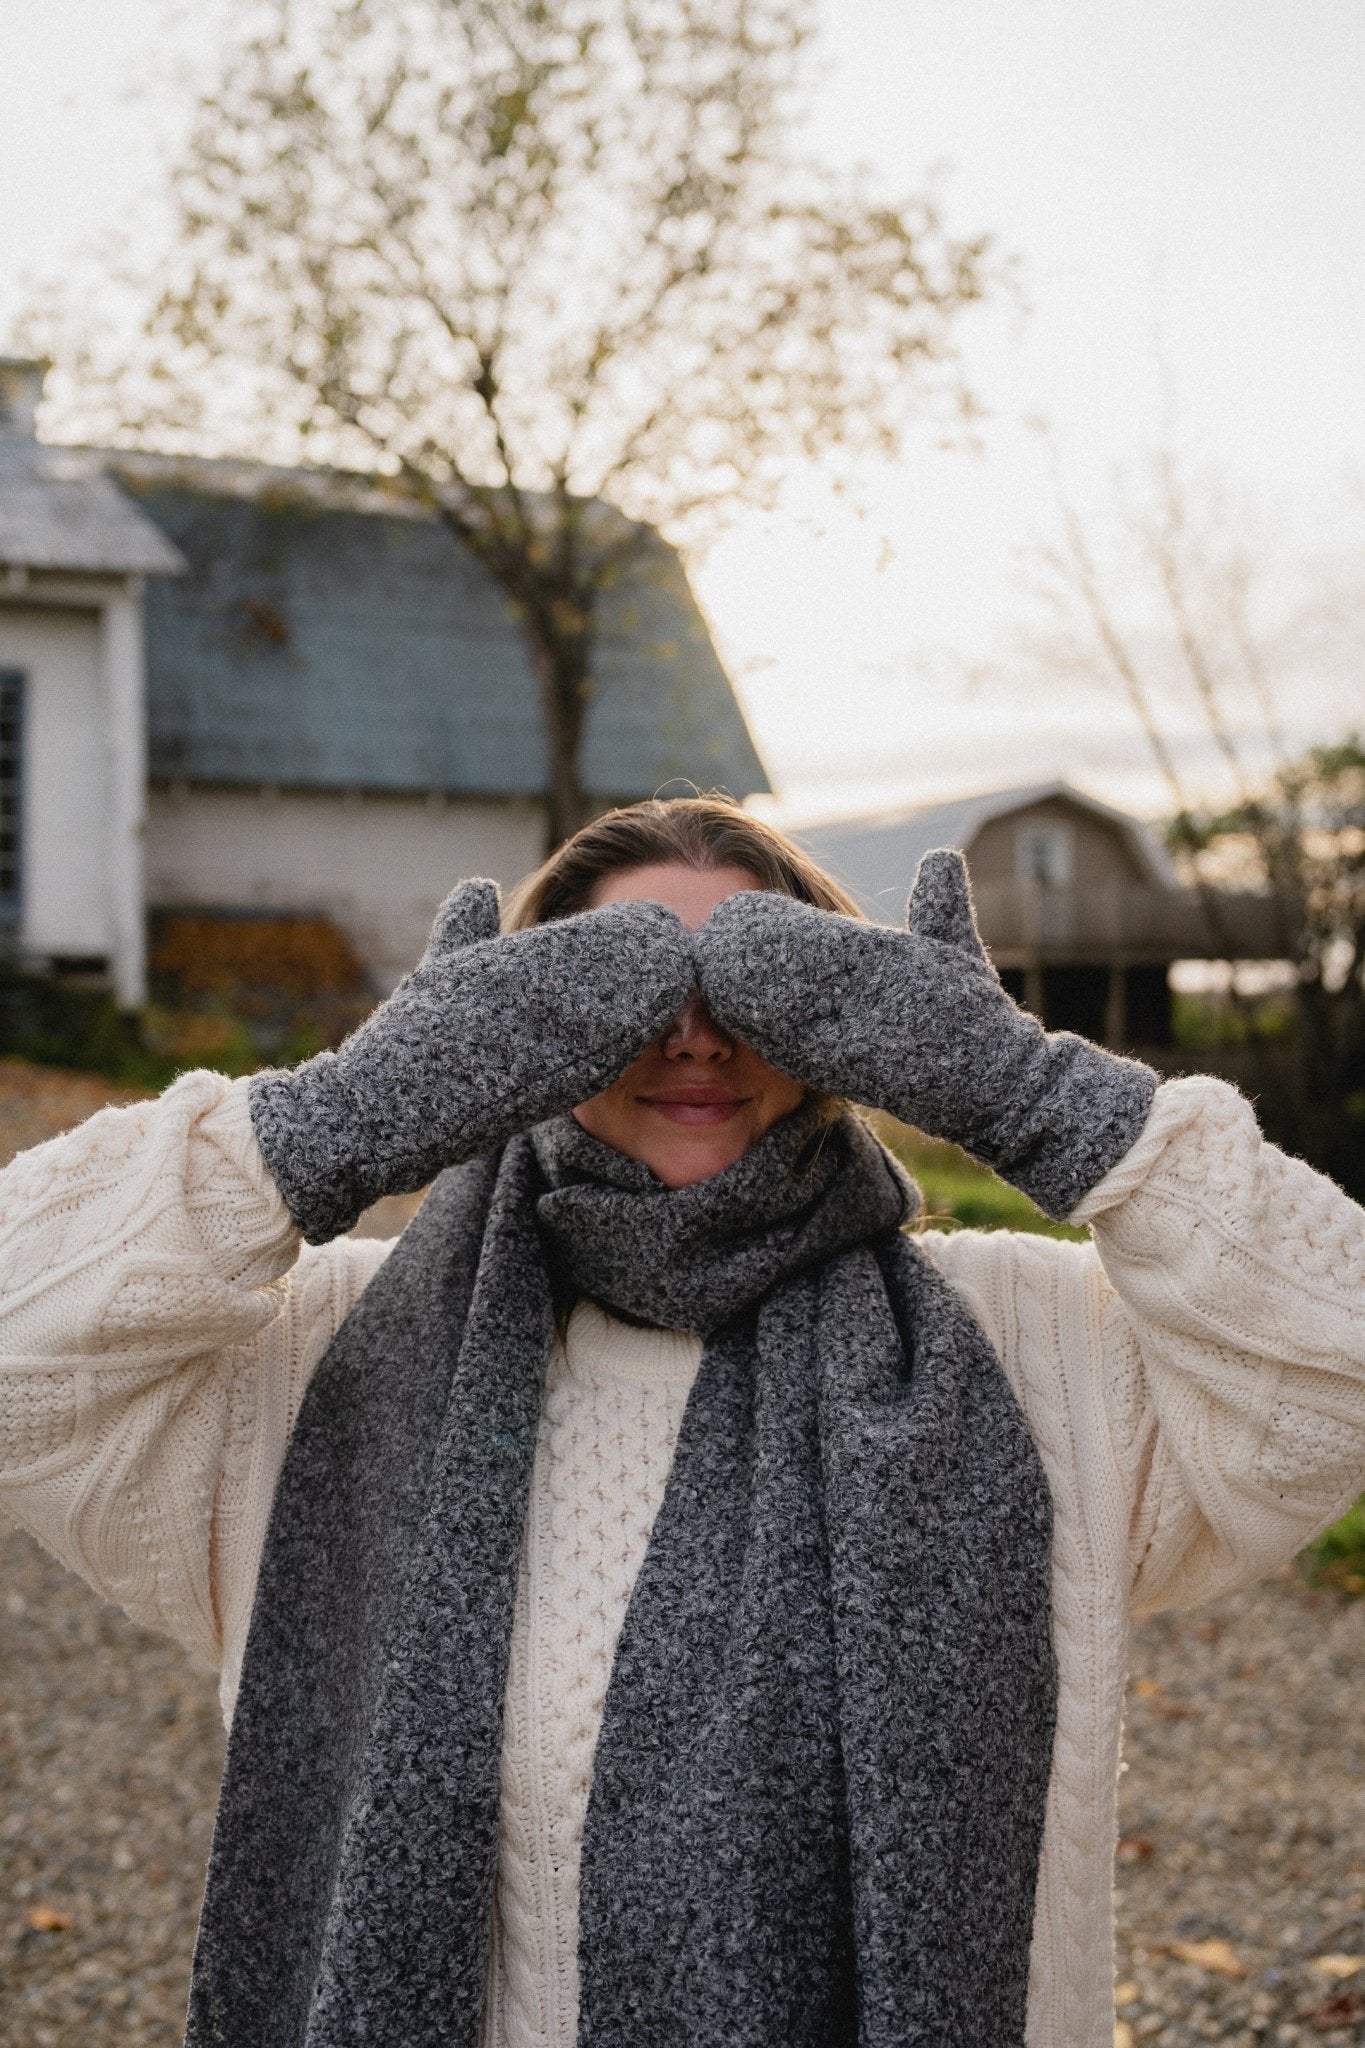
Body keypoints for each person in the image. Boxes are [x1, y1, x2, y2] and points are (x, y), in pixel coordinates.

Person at [1, 794, 1362, 2048]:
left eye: (758, 987)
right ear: (508, 1034)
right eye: (620, 992)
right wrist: (334, 1121)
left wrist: (1033, 1095)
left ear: (853, 1022)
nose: (694, 1036)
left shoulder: (1029, 1351)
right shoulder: (323, 1363)